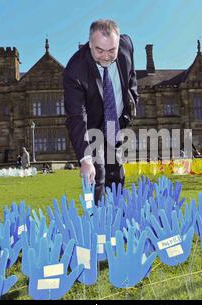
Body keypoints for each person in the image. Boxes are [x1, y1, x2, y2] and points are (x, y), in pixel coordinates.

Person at [64, 19, 138, 203]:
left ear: (119, 42)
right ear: (90, 44)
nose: (106, 56)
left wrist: (132, 103)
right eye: (99, 50)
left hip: (116, 122)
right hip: (92, 127)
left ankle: (118, 219)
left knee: (116, 175)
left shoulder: (126, 46)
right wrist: (85, 159)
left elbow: (131, 77)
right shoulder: (74, 70)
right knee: (98, 176)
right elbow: (76, 116)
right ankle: (100, 225)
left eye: (111, 50)